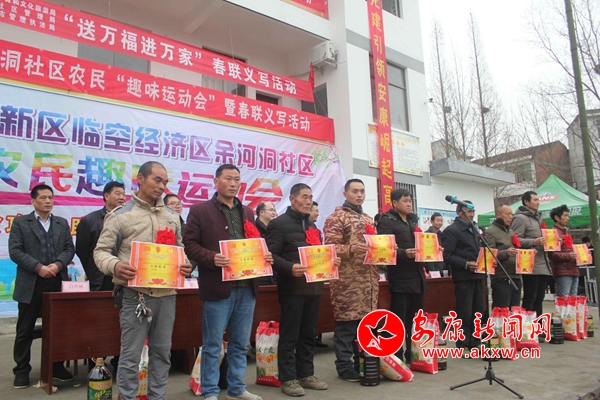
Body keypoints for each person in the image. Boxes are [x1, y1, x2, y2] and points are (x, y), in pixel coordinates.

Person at [94, 162, 193, 400]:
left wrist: (186, 265)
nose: (162, 186)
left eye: (165, 182)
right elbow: (100, 252)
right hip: (134, 295)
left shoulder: (172, 217)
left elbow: (180, 249)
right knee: (131, 356)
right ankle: (128, 397)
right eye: (156, 180)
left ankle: (158, 396)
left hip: (167, 295)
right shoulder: (120, 216)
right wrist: (115, 265)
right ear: (140, 178)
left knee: (162, 354)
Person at [183, 164, 267, 400]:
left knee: (240, 343)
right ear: (216, 181)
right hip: (217, 287)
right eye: (228, 178)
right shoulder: (200, 210)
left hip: (246, 286)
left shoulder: (247, 211)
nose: (233, 184)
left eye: (237, 179)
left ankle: (236, 388)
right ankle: (210, 391)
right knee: (212, 344)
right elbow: (190, 244)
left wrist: (263, 255)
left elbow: (252, 242)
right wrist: (211, 257)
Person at [265, 184, 339, 397]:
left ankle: (306, 374)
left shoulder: (312, 226)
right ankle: (288, 378)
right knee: (290, 335)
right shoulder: (279, 224)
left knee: (308, 333)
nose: (308, 201)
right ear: (292, 199)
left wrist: (331, 261)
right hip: (292, 288)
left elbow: (318, 255)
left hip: (314, 288)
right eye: (304, 197)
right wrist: (290, 267)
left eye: (310, 197)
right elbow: (270, 256)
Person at [9, 184, 76, 389]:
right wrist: (38, 268)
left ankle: (56, 366)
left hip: (56, 281)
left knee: (57, 328)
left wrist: (57, 265)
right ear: (33, 201)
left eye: (51, 197)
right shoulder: (21, 222)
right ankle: (22, 370)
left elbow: (69, 249)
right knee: (25, 329)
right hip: (31, 283)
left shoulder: (61, 223)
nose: (48, 201)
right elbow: (15, 251)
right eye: (43, 198)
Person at [323, 179, 377, 382]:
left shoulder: (368, 218)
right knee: (346, 326)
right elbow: (330, 248)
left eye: (362, 191)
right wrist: (351, 248)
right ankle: (344, 367)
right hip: (347, 283)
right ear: (345, 194)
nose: (359, 195)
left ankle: (361, 363)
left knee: (364, 327)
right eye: (355, 191)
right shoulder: (336, 217)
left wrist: (386, 249)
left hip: (368, 283)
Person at [377, 188, 427, 362]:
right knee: (398, 320)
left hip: (418, 277)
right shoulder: (387, 221)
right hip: (400, 278)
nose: (408, 204)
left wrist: (433, 250)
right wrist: (404, 253)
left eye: (410, 201)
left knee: (415, 320)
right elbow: (383, 249)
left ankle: (413, 354)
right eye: (405, 201)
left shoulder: (412, 221)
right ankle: (396, 357)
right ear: (394, 203)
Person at [442, 200, 484, 351]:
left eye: (473, 211)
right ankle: (463, 342)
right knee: (464, 311)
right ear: (459, 212)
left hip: (478, 275)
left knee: (478, 310)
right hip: (463, 276)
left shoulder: (474, 229)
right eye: (468, 211)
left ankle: (475, 340)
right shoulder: (452, 230)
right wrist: (465, 264)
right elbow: (447, 255)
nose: (472, 214)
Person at [76, 181, 126, 291]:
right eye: (117, 193)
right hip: (100, 278)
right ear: (106, 196)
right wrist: (93, 271)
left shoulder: (129, 220)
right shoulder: (89, 220)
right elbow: (82, 251)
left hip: (124, 277)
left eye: (123, 194)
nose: (122, 197)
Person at [511, 191, 550, 318]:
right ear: (526, 202)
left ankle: (538, 325)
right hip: (530, 265)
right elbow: (515, 239)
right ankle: (527, 326)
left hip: (543, 263)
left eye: (538, 200)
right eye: (535, 200)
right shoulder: (520, 218)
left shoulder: (538, 218)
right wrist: (533, 242)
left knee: (539, 298)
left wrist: (552, 241)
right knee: (530, 298)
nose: (538, 202)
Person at [485, 205, 522, 309]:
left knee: (515, 310)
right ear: (498, 215)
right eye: (507, 214)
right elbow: (488, 255)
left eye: (511, 214)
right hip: (501, 277)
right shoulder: (490, 231)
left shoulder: (510, 231)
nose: (511, 217)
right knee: (502, 310)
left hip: (515, 275)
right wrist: (506, 253)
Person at [550, 205, 579, 297]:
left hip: (573, 269)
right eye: (565, 216)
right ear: (557, 217)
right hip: (563, 271)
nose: (568, 218)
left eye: (568, 216)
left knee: (572, 300)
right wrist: (569, 256)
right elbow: (552, 255)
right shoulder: (553, 233)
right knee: (564, 300)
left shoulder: (566, 231)